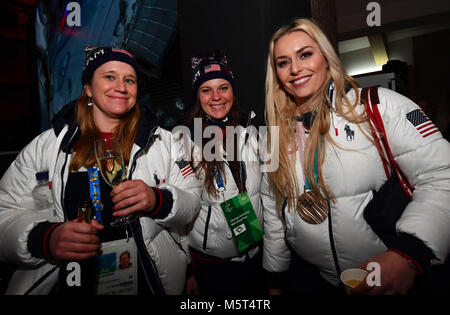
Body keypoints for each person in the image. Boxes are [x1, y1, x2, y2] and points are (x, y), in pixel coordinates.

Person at [262, 19, 450, 295]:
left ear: (325, 57)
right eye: (283, 62)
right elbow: (273, 211)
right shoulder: (273, 136)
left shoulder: (379, 106)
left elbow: (442, 175)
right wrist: (275, 279)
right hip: (314, 281)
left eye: (305, 54)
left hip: (386, 279)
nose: (295, 69)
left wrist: (410, 254)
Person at [0, 46, 201, 295]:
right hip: (69, 282)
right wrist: (45, 238)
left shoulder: (164, 141)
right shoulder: (47, 146)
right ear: (88, 88)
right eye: (109, 76)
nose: (121, 86)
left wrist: (157, 199)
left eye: (130, 79)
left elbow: (192, 200)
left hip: (148, 281)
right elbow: (4, 212)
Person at [183, 50, 265, 295]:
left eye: (223, 87)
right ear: (197, 96)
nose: (216, 97)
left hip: (256, 259)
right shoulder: (183, 141)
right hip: (211, 268)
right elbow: (179, 217)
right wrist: (187, 271)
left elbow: (266, 198)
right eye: (206, 90)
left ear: (232, 91)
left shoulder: (252, 132)